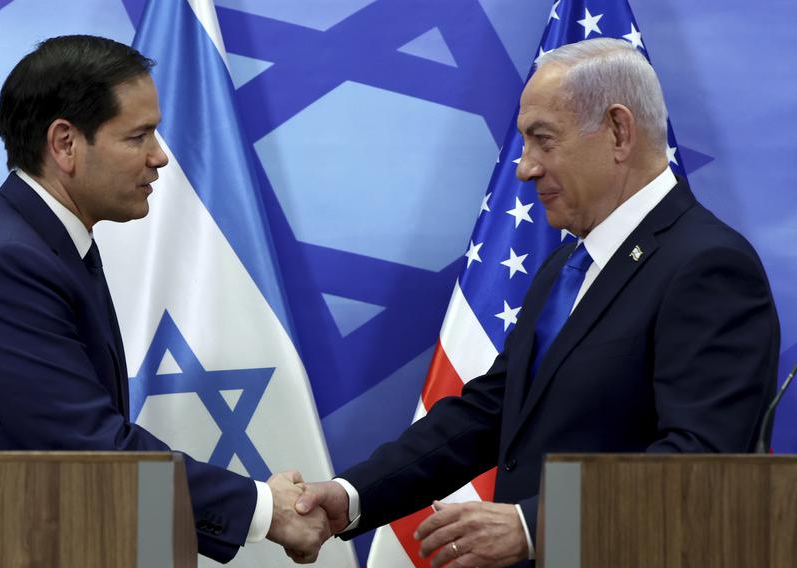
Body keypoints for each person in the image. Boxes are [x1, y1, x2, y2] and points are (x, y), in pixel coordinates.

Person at [294, 38, 780, 567]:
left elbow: (705, 465)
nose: (525, 169)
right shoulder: (564, 268)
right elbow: (492, 412)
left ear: (619, 132)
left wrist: (535, 523)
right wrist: (350, 497)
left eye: (542, 141)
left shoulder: (708, 267)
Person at [0, 35, 328, 564]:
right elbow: (90, 449)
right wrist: (266, 510)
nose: (159, 157)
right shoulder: (5, 262)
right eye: (138, 136)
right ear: (65, 144)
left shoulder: (48, 241)